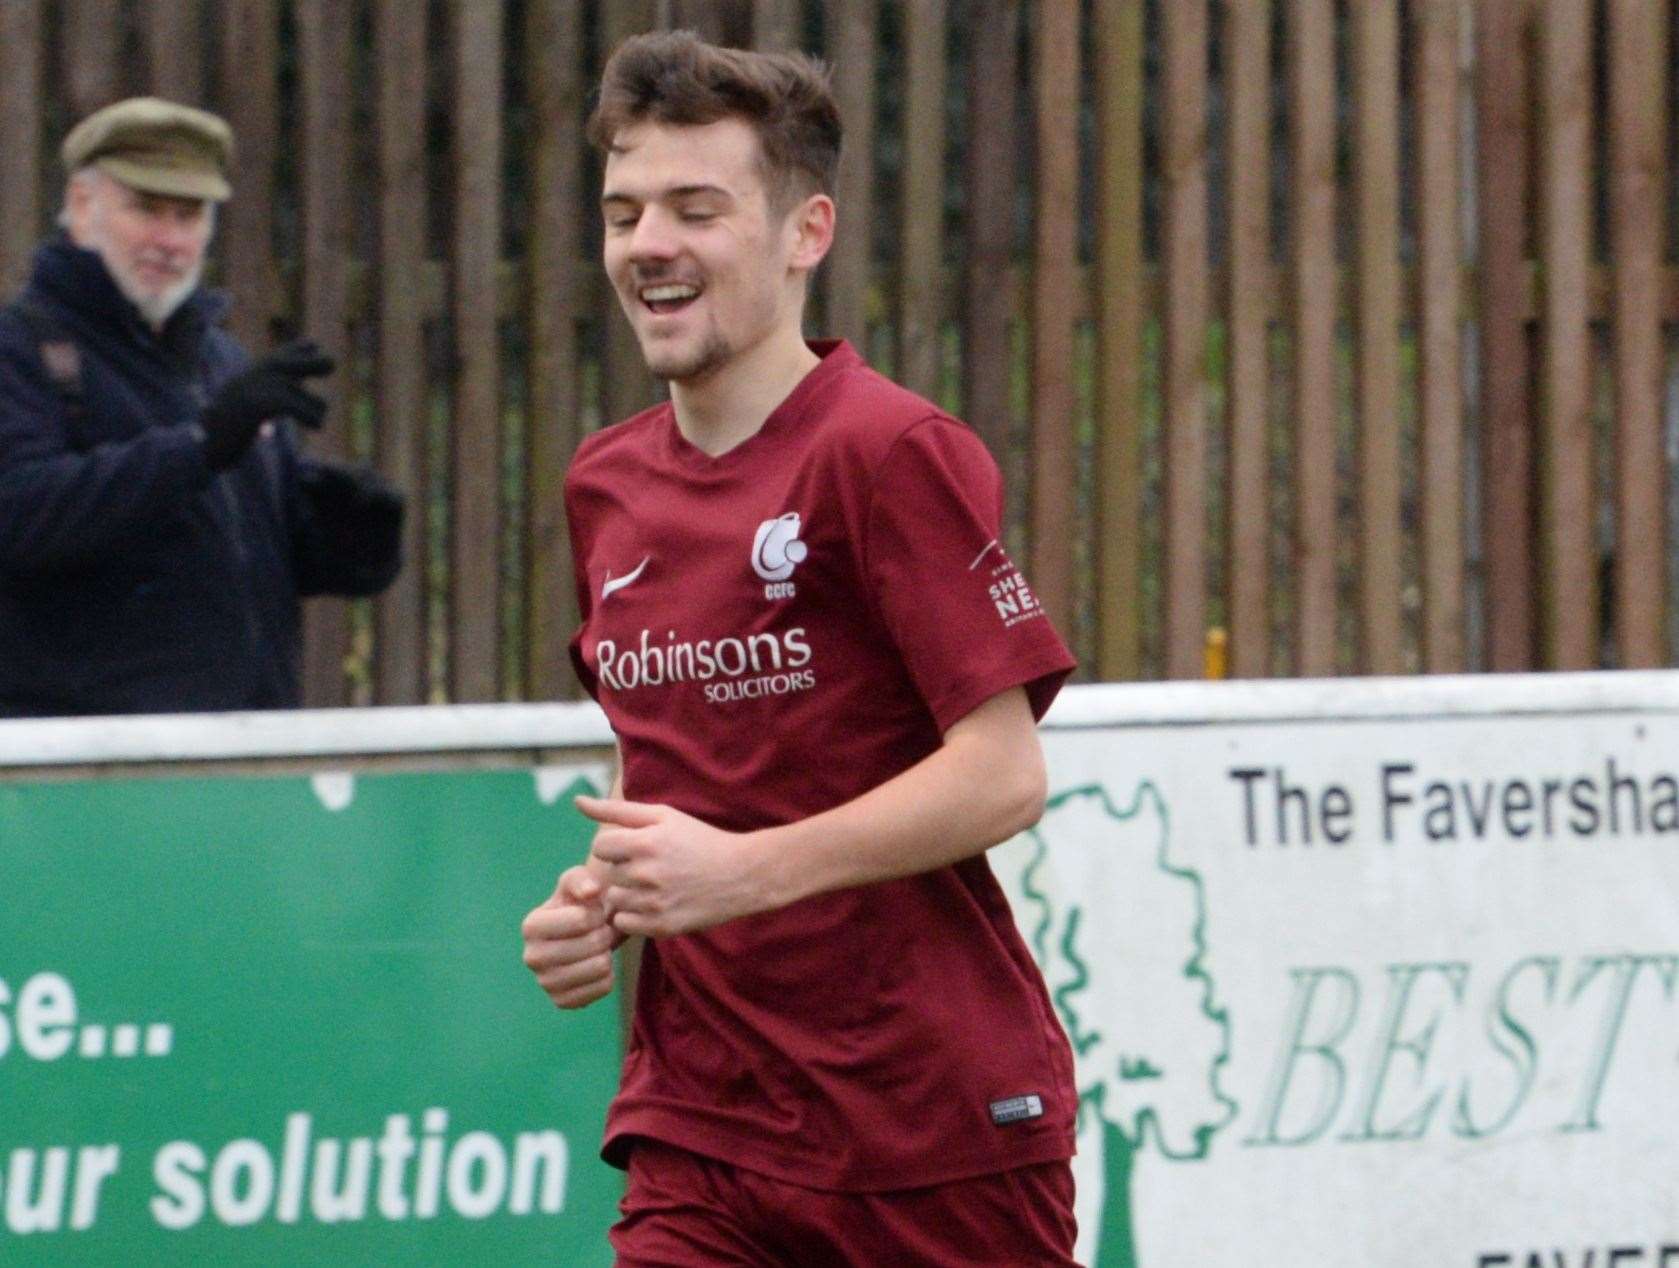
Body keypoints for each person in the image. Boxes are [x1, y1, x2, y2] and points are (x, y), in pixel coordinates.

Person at [521, 33, 1080, 1266]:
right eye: (622, 212)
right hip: (700, 1126)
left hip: (929, 1128)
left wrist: (744, 872)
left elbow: (1003, 771)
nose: (646, 243)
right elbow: (674, 770)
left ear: (803, 232)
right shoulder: (603, 484)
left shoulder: (887, 452)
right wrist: (603, 899)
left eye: (694, 208)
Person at [0, 97, 403, 716]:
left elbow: (232, 553)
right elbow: (22, 516)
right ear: (83, 208)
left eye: (187, 215)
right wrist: (199, 446)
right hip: (87, 770)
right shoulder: (20, 349)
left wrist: (348, 534)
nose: (168, 239)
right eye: (146, 209)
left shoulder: (218, 358)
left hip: (244, 752)